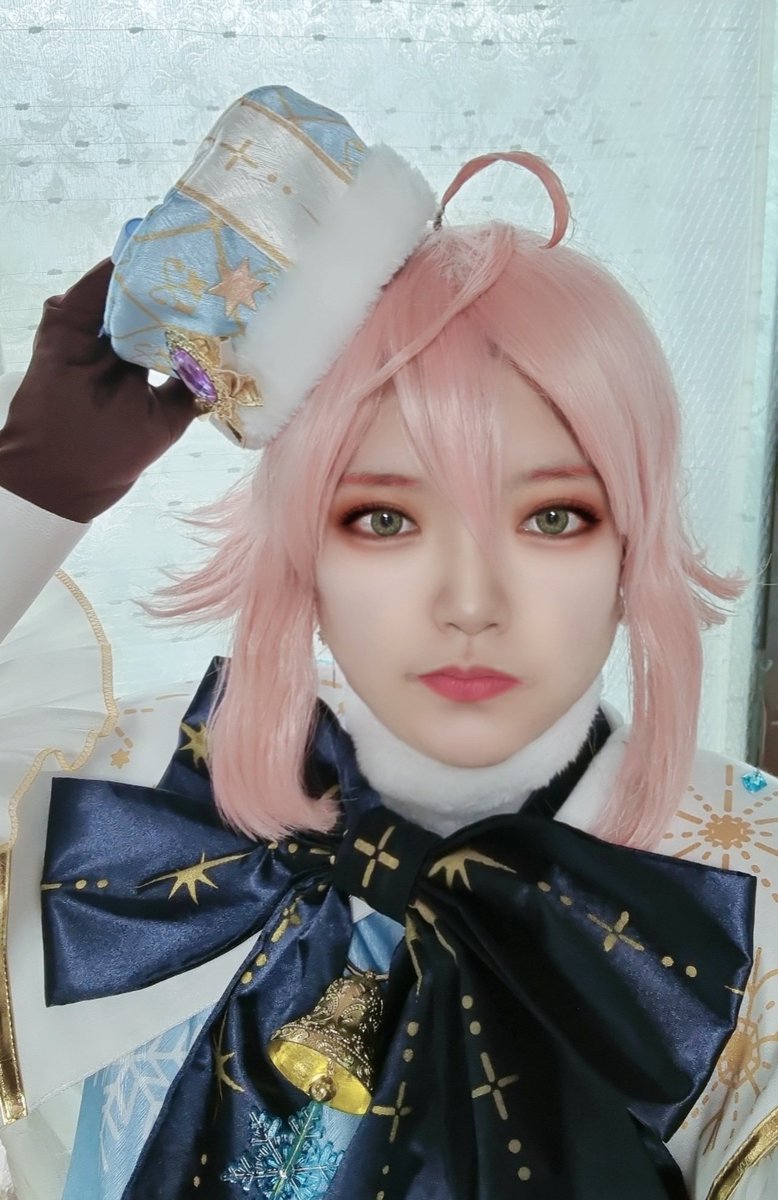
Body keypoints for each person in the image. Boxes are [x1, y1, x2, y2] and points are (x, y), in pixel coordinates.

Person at [0, 84, 775, 1200]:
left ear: (633, 546)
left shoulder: (745, 889)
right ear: (301, 549)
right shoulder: (132, 790)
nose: (469, 602)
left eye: (554, 517)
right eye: (384, 519)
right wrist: (31, 497)